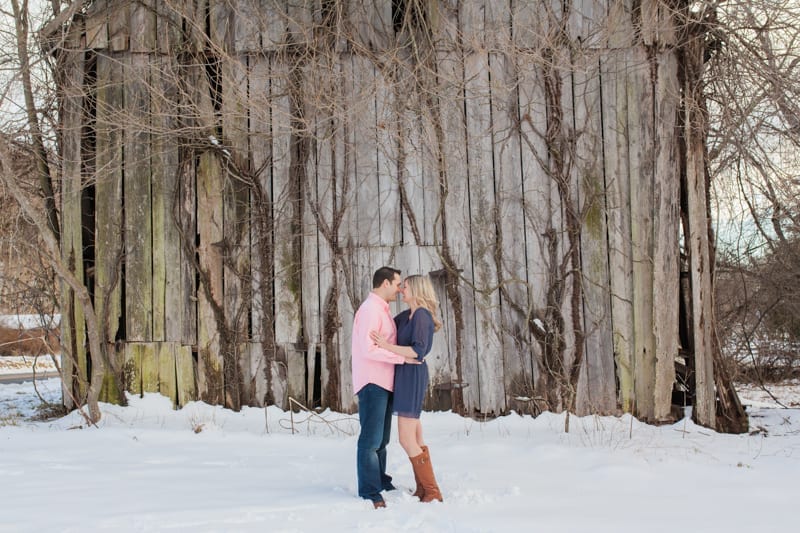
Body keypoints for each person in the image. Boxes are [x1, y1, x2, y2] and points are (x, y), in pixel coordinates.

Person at [370, 274, 443, 503]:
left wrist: (386, 346)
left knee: (405, 438)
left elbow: (417, 351)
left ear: (418, 290)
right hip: (404, 374)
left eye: (406, 287)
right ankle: (423, 489)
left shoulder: (421, 315)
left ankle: (432, 491)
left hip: (412, 375)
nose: (402, 290)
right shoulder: (407, 315)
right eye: (401, 286)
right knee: (416, 436)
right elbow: (388, 323)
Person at [352, 266, 420, 509]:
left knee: (381, 441)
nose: (400, 288)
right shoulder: (370, 310)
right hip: (372, 382)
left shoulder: (382, 310)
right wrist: (402, 359)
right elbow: (368, 349)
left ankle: (380, 479)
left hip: (384, 381)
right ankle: (369, 490)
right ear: (385, 284)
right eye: (397, 283)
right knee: (370, 441)